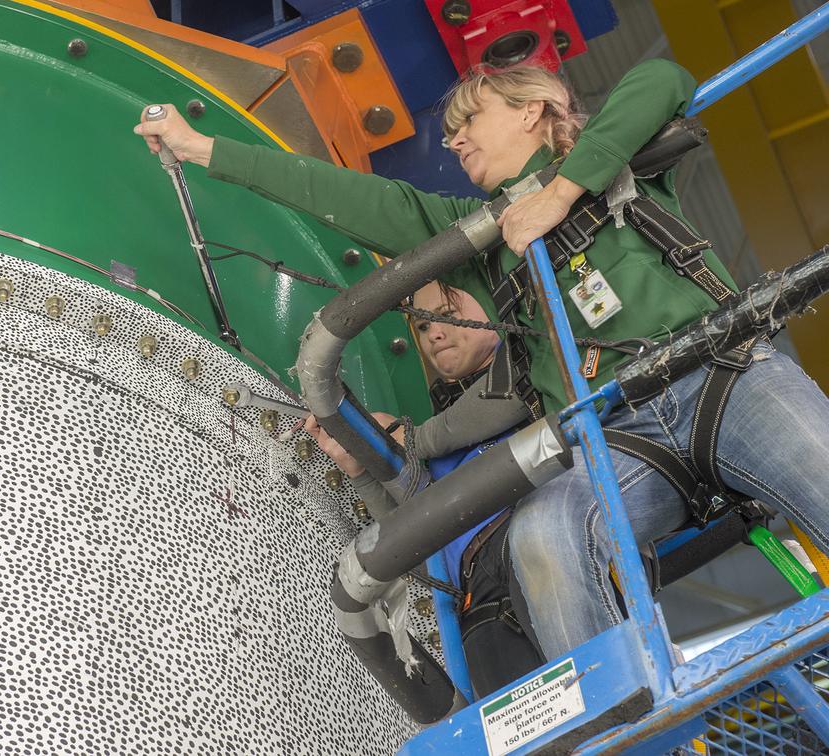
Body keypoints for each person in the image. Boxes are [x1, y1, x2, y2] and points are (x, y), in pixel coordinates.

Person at [133, 59, 829, 663]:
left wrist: (558, 194)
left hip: (722, 377)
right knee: (544, 533)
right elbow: (348, 198)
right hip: (619, 436)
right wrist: (202, 149)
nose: (454, 139)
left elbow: (662, 78)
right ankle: (627, 721)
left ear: (538, 110)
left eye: (472, 118)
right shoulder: (482, 241)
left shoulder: (620, 167)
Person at [307, 280, 543, 698]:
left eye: (446, 317)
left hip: (535, 549)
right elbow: (416, 544)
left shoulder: (537, 367)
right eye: (421, 327)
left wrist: (405, 438)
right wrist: (360, 468)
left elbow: (513, 393)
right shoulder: (441, 431)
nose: (433, 334)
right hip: (477, 601)